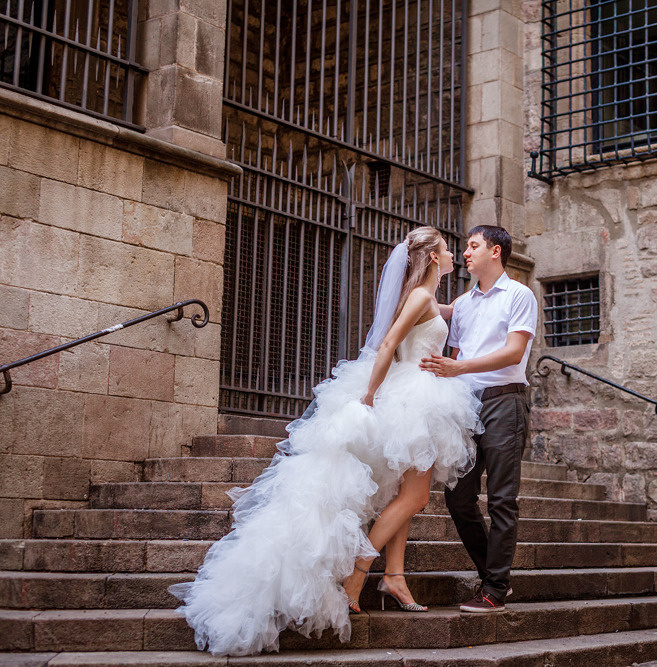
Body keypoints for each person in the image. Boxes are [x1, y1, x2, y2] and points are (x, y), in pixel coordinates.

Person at [169, 226, 480, 656]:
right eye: (447, 251)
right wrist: (369, 394)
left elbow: (451, 311)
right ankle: (359, 572)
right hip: (414, 400)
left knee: (401, 493)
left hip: (416, 395)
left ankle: (395, 575)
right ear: (431, 259)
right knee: (417, 496)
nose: (453, 257)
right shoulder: (421, 299)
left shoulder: (428, 300)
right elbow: (389, 341)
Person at [420, 225, 538, 613]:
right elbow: (439, 332)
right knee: (458, 497)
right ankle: (494, 575)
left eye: (473, 246)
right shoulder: (464, 303)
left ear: (496, 251)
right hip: (467, 406)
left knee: (503, 499)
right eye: (465, 248)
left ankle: (494, 591)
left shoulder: (520, 295)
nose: (466, 253)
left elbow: (513, 352)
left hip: (505, 403)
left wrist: (460, 366)